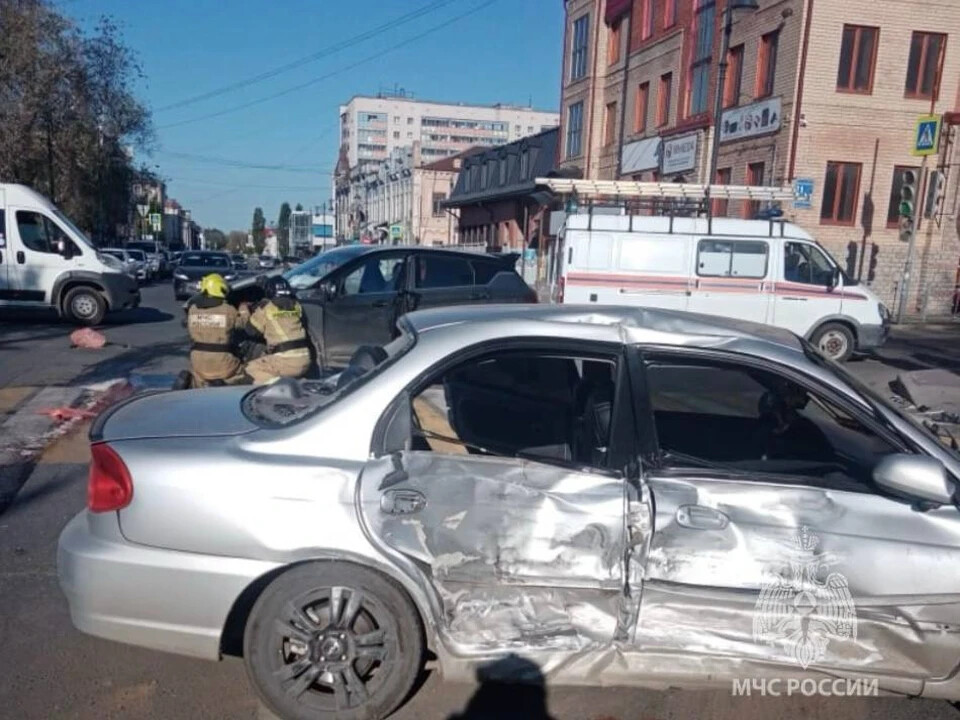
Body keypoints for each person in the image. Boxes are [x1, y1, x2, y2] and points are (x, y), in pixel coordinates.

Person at [177, 273, 250, 388]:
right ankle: (223, 384)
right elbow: (243, 324)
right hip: (222, 361)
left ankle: (191, 381)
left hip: (197, 360)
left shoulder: (193, 309)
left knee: (199, 377)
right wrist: (244, 307)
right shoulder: (228, 309)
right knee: (244, 373)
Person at [243, 276, 312, 384]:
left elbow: (250, 330)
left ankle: (278, 384)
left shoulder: (266, 307)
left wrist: (246, 311)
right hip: (305, 359)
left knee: (249, 369)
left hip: (285, 361)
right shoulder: (297, 305)